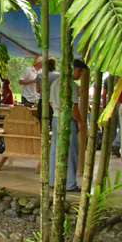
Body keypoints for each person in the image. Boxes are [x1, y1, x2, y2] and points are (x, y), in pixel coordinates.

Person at [49, 59, 87, 191]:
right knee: (71, 151)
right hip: (67, 119)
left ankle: (52, 180)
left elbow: (51, 103)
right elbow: (74, 107)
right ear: (71, 70)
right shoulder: (70, 84)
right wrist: (80, 121)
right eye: (79, 71)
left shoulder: (55, 83)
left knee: (55, 150)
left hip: (55, 117)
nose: (80, 74)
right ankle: (70, 183)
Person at [35, 57, 59, 126]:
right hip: (55, 101)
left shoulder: (40, 75)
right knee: (54, 122)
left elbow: (38, 90)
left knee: (42, 123)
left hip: (43, 100)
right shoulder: (59, 75)